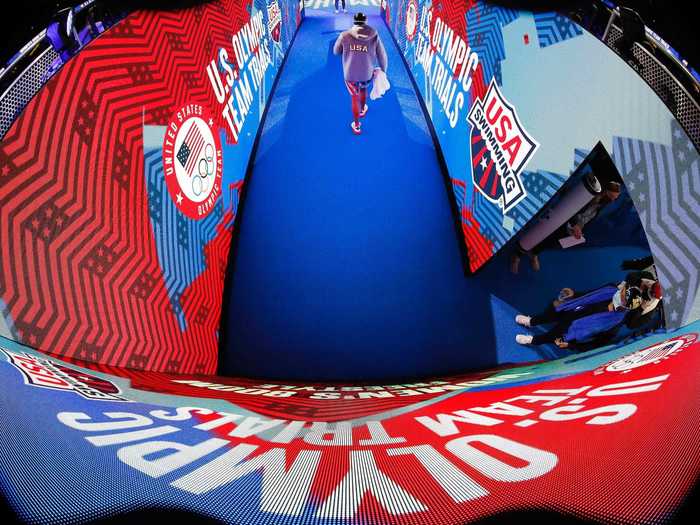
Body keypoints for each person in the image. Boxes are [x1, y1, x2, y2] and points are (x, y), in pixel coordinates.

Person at [510, 180, 622, 273]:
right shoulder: (588, 195)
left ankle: (534, 254)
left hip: (573, 227)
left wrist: (580, 228)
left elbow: (588, 217)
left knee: (552, 241)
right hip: (562, 219)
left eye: (615, 198)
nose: (612, 200)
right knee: (538, 235)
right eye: (612, 196)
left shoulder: (602, 203)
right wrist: (576, 225)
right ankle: (517, 256)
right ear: (606, 191)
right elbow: (573, 209)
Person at [514, 276, 643, 351]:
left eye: (622, 296)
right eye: (623, 290)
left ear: (625, 305)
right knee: (550, 315)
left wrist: (571, 345)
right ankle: (531, 322)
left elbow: (596, 344)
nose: (619, 292)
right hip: (572, 308)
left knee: (551, 335)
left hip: (572, 329)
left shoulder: (615, 324)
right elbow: (590, 293)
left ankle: (532, 340)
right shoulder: (611, 288)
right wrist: (574, 294)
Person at [333, 12, 388, 135]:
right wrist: (383, 70)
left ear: (354, 21)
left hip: (350, 74)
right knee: (363, 90)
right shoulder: (374, 35)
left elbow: (336, 51)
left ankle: (356, 125)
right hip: (366, 73)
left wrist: (348, 49)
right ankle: (363, 109)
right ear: (365, 21)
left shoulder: (344, 35)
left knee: (354, 97)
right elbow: (382, 55)